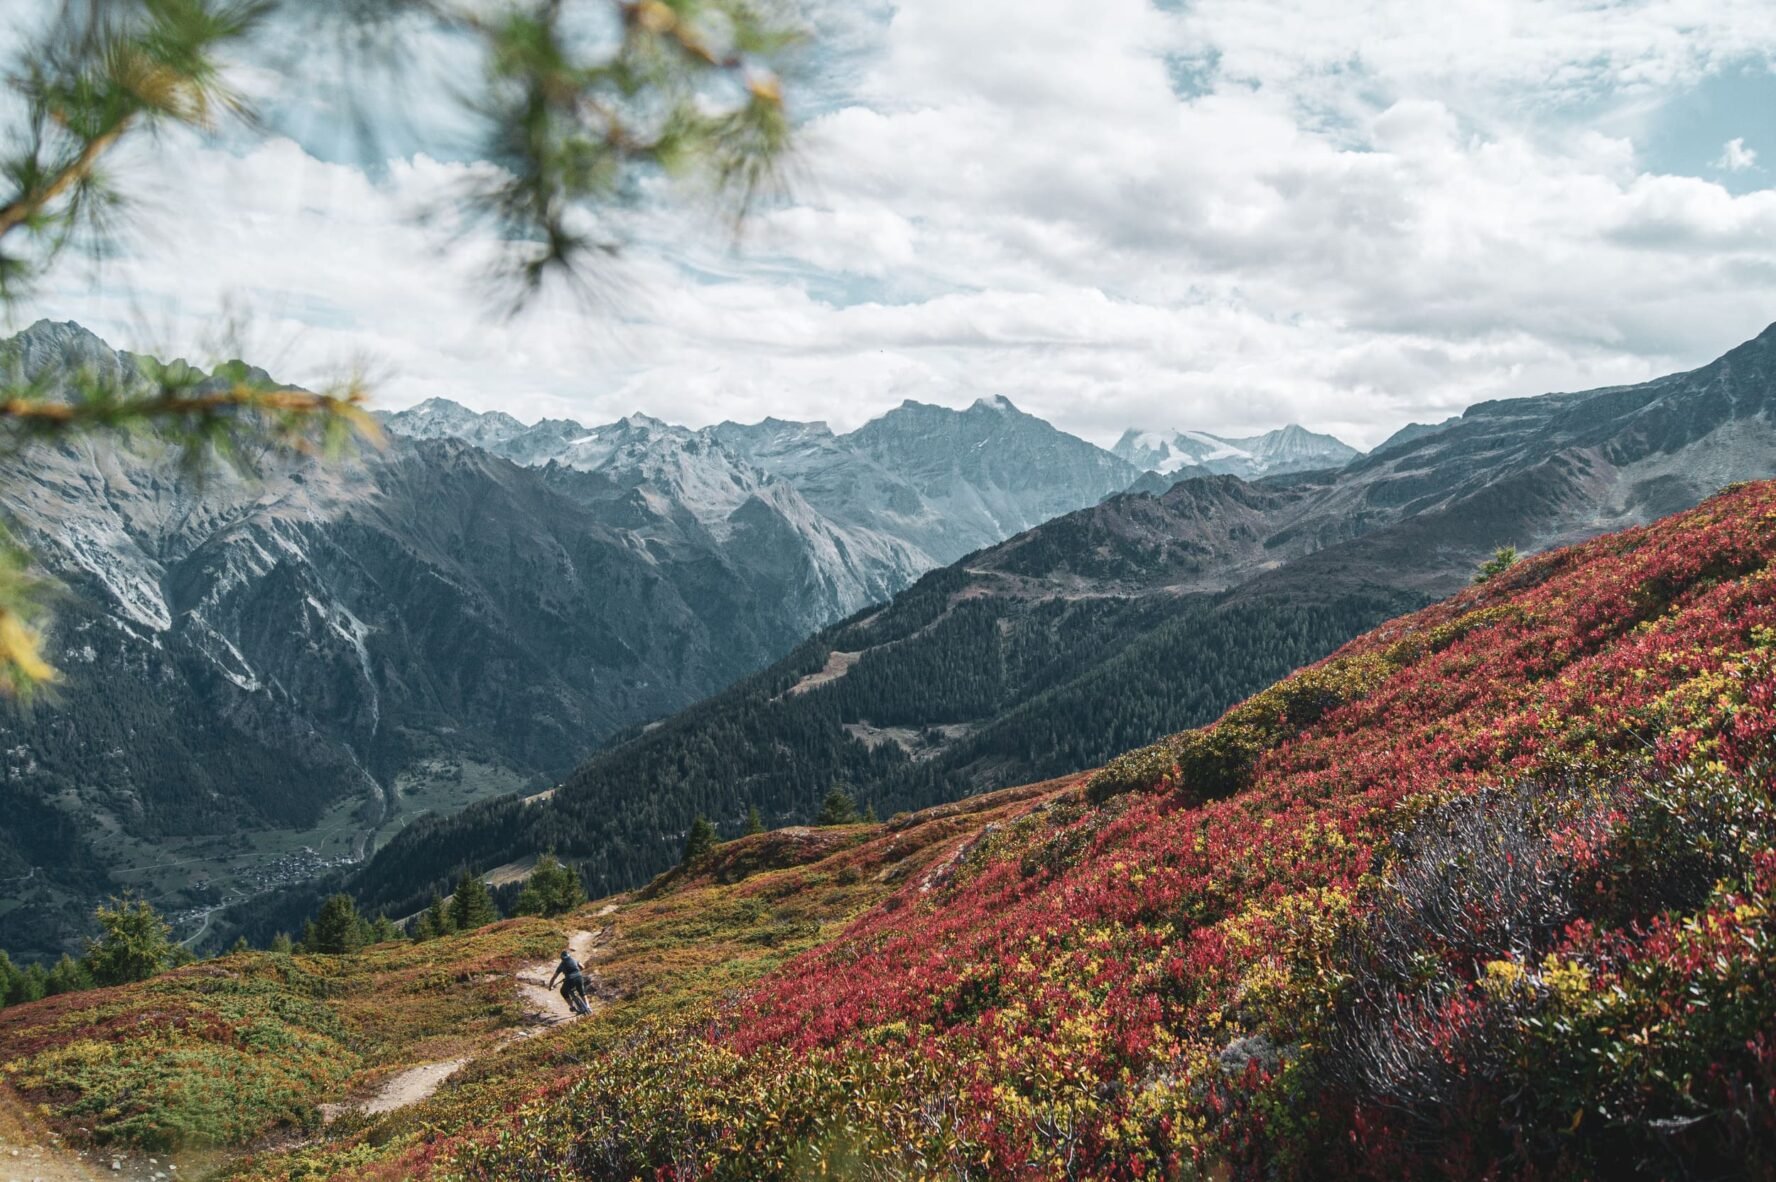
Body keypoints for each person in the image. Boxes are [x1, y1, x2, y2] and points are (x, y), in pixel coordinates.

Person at [547, 947, 591, 1015]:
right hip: (579, 977)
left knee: (563, 991)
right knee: (582, 992)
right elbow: (582, 967)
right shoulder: (574, 960)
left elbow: (554, 977)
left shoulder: (561, 965)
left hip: (569, 979)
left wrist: (550, 987)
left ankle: (572, 1006)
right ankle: (588, 1007)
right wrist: (577, 971)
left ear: (561, 958)